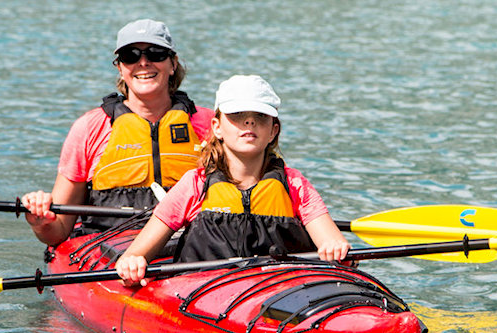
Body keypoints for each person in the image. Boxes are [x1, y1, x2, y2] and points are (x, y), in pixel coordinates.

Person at [115, 74, 350, 286]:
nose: (249, 122)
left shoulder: (294, 185)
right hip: (203, 295)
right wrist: (132, 265)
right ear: (217, 127)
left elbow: (332, 242)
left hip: (279, 292)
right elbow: (135, 254)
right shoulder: (195, 185)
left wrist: (335, 249)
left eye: (260, 116)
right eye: (237, 115)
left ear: (273, 131)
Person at [22, 19, 214, 245]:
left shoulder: (211, 125)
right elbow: (59, 232)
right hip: (108, 253)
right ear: (120, 68)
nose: (143, 62)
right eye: (131, 56)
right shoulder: (90, 128)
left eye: (155, 53)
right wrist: (40, 222)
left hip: (192, 251)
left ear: (173, 64)